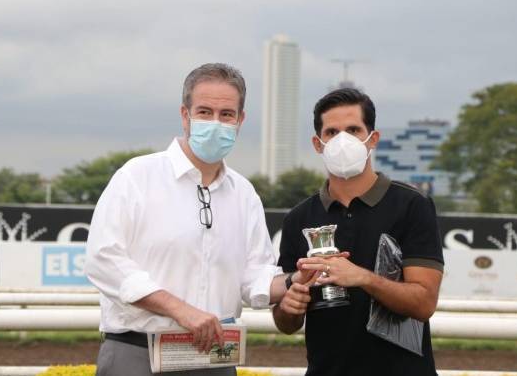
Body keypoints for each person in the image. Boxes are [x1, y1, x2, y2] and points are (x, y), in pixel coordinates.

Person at [85, 63, 289, 376]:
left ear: (240, 120)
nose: (216, 123)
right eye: (205, 112)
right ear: (185, 115)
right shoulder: (137, 176)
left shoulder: (244, 194)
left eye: (226, 115)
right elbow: (103, 260)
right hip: (137, 354)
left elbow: (254, 277)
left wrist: (295, 282)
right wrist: (180, 310)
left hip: (215, 360)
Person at [272, 88, 444, 376]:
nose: (342, 140)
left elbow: (424, 302)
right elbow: (285, 323)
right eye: (332, 132)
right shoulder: (299, 218)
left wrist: (363, 278)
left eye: (353, 130)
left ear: (372, 139)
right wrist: (289, 307)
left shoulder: (412, 205)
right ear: (318, 143)